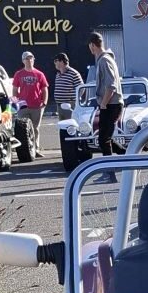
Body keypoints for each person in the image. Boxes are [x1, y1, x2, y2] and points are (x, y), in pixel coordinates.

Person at [88, 31, 125, 181]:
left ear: (92, 45)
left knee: (103, 138)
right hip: (110, 104)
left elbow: (111, 85)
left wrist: (103, 103)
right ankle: (127, 156)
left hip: (111, 104)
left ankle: (109, 174)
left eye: (89, 46)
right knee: (105, 137)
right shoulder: (103, 59)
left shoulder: (104, 60)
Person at [12, 51, 49, 155]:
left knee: (35, 128)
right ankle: (23, 150)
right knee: (22, 129)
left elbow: (44, 89)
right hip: (23, 105)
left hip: (36, 105)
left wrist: (44, 102)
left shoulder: (39, 74)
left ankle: (35, 149)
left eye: (31, 58)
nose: (29, 60)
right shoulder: (18, 74)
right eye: (27, 59)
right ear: (23, 61)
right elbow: (15, 89)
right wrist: (15, 102)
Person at [53, 53, 83, 121]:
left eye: (56, 61)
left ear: (61, 61)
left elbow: (81, 88)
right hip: (60, 105)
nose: (54, 63)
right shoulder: (58, 74)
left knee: (70, 125)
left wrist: (75, 100)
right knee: (62, 126)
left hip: (70, 105)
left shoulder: (74, 73)